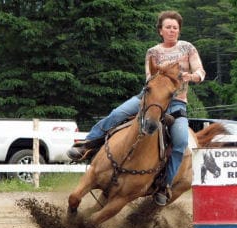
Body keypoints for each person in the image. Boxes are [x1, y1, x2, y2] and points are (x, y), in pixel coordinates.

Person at [67, 10, 206, 206]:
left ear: (179, 30)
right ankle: (87, 146)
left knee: (181, 141)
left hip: (176, 103)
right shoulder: (153, 52)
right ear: (160, 30)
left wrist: (192, 77)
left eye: (175, 27)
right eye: (168, 27)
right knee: (117, 114)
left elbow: (200, 70)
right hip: (150, 97)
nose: (172, 30)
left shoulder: (187, 48)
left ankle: (164, 185)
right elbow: (149, 77)